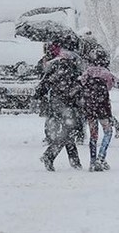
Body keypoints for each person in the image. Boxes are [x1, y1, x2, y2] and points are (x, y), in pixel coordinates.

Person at [34, 39, 85, 171]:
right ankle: (50, 156)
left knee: (68, 132)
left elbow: (44, 83)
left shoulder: (55, 66)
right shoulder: (72, 67)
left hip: (58, 103)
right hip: (65, 104)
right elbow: (78, 85)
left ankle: (75, 162)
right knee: (68, 132)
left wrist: (38, 95)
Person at [80, 52, 117, 171]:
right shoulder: (106, 75)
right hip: (102, 110)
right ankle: (101, 158)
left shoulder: (87, 73)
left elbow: (80, 85)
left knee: (93, 135)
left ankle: (92, 161)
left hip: (90, 109)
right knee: (108, 132)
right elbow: (118, 84)